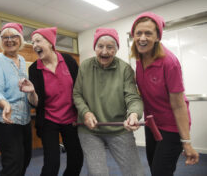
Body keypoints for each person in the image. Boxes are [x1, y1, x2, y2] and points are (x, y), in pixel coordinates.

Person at [130, 11, 199, 175]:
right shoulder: (139, 59)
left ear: (158, 37)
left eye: (148, 33)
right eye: (138, 33)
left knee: (161, 172)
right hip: (151, 124)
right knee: (154, 168)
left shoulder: (169, 62)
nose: (142, 38)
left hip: (171, 127)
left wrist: (186, 142)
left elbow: (179, 105)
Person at [73, 28, 145, 176]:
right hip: (89, 130)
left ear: (116, 49)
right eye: (100, 46)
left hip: (118, 129)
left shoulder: (125, 69)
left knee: (135, 172)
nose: (104, 51)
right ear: (95, 47)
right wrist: (85, 113)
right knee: (97, 173)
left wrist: (133, 114)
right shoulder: (85, 66)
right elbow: (77, 94)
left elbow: (133, 97)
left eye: (110, 47)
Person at [29, 27, 83, 176]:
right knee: (52, 163)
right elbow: (35, 103)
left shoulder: (68, 61)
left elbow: (80, 88)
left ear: (50, 43)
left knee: (77, 159)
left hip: (71, 119)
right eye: (33, 42)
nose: (34, 45)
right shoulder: (34, 69)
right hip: (48, 120)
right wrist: (32, 92)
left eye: (38, 41)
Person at [0, 23, 38, 176]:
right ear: (1, 41)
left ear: (20, 39)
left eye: (13, 36)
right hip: (6, 120)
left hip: (24, 118)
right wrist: (5, 105)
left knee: (26, 158)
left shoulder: (22, 60)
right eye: (5, 37)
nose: (9, 40)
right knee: (13, 163)